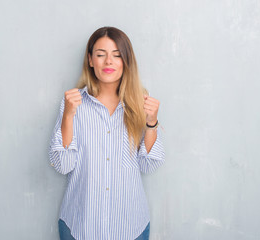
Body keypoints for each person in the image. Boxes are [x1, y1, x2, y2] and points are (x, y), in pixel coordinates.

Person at [49, 26, 165, 240]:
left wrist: (151, 122)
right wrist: (68, 116)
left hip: (131, 227)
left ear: (126, 61)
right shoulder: (73, 104)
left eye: (117, 55)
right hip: (79, 225)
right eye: (101, 55)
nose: (108, 62)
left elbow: (149, 164)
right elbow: (63, 165)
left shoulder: (141, 103)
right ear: (91, 60)